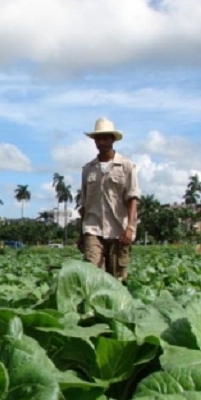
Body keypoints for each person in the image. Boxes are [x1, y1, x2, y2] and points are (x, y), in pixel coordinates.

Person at [78, 117, 140, 281]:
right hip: (93, 229)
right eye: (98, 138)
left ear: (113, 139)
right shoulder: (88, 169)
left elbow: (132, 198)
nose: (101, 141)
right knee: (92, 275)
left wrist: (130, 228)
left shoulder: (126, 166)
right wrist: (81, 233)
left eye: (105, 137)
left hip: (118, 230)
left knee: (117, 278)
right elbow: (83, 204)